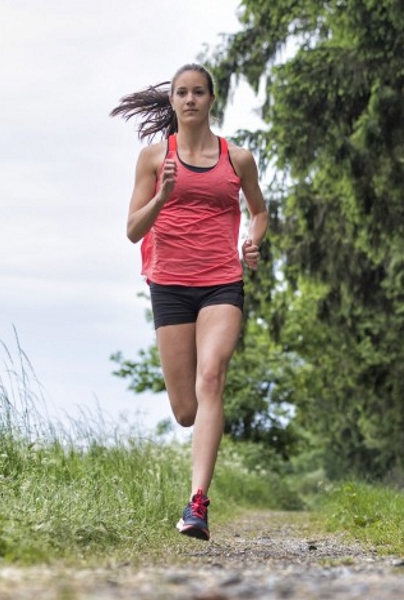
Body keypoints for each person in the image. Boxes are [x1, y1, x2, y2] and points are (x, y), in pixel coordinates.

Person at [111, 64, 268, 541]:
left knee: (211, 378)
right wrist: (163, 195)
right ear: (174, 102)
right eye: (182, 93)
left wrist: (252, 241)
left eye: (199, 92)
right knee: (186, 409)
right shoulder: (155, 157)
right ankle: (206, 430)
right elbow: (133, 229)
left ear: (211, 99)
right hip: (170, 284)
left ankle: (198, 504)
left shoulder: (237, 159)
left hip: (222, 281)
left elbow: (258, 211)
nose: (190, 99)